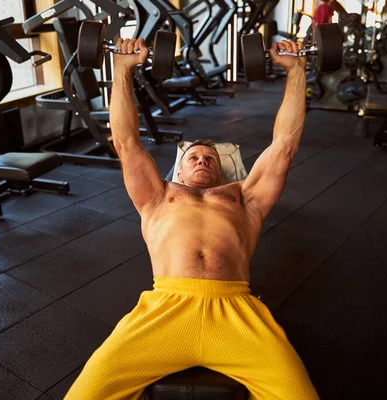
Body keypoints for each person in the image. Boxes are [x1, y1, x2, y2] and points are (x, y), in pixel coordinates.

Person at [64, 35, 320, 400]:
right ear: (179, 173)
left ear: (223, 172)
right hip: (162, 311)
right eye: (194, 158)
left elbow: (284, 147)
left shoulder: (244, 198)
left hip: (238, 314)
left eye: (210, 159)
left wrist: (297, 71)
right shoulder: (157, 197)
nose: (202, 160)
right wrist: (121, 68)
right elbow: (126, 142)